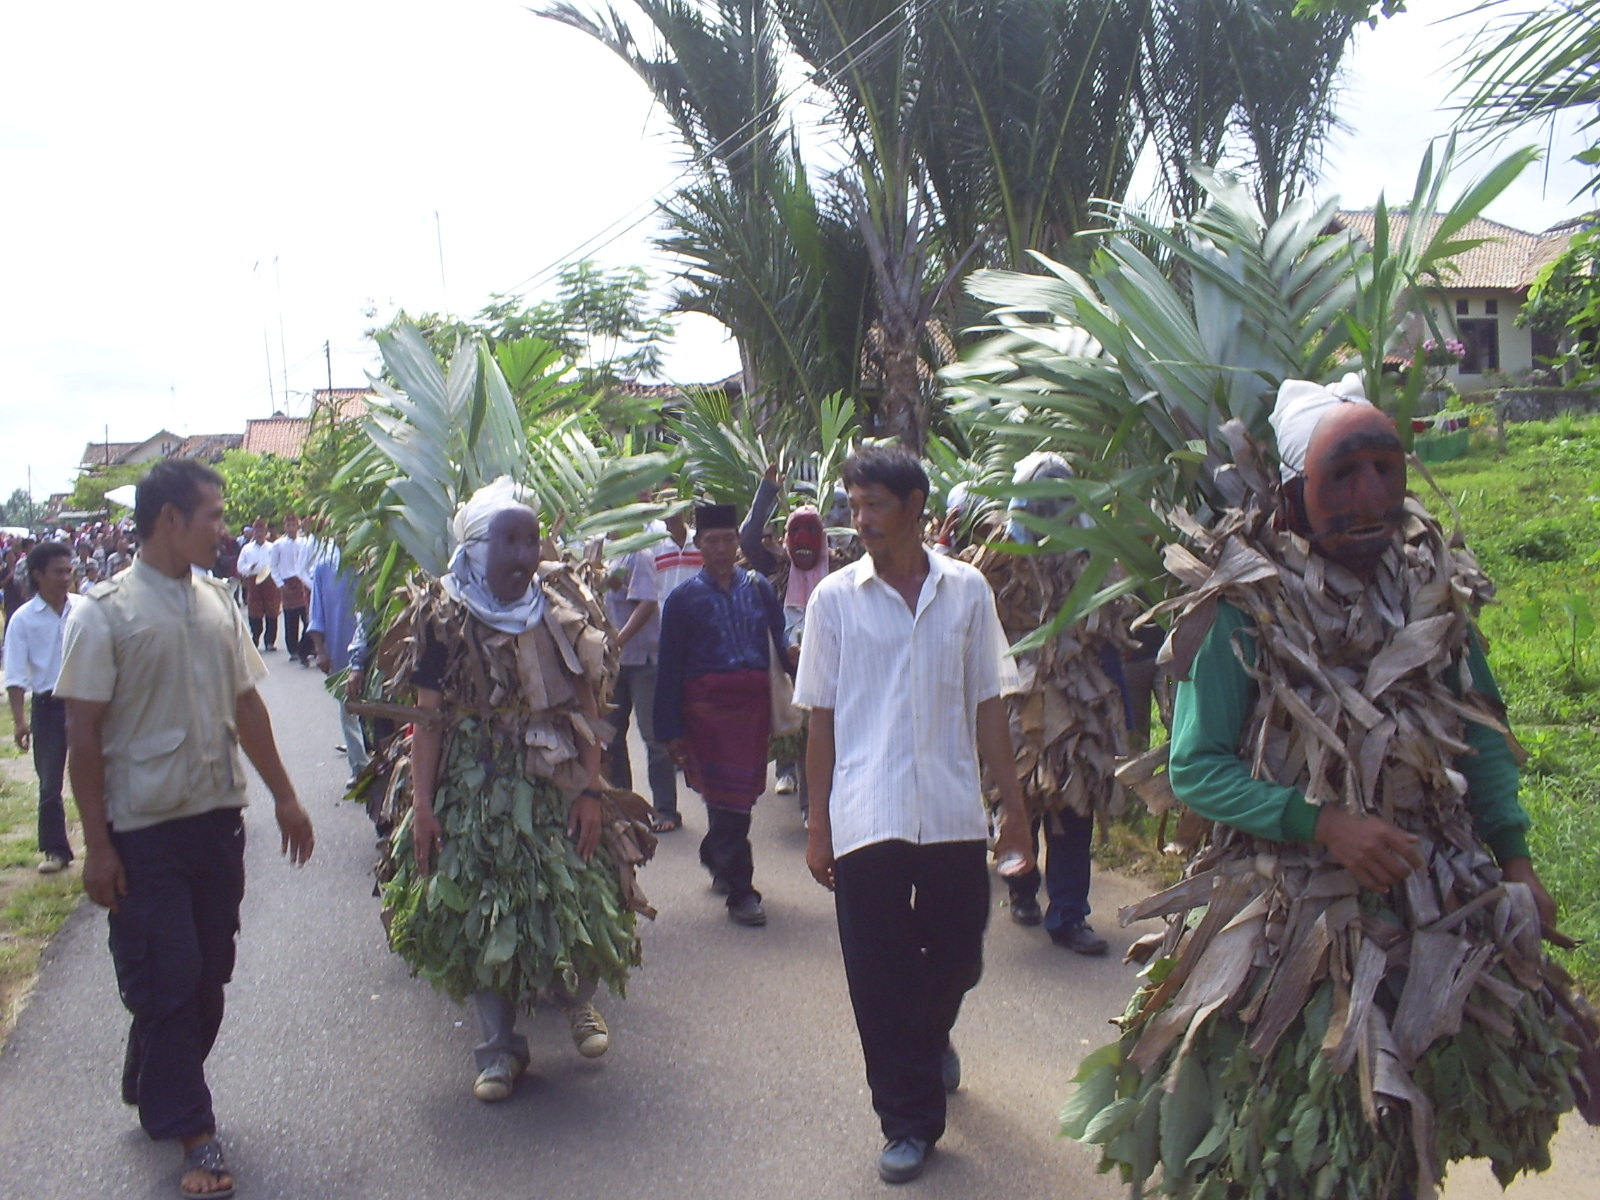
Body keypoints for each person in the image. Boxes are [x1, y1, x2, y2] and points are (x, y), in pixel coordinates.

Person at [1068, 380, 1597, 1198]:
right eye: (1343, 478)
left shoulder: (1434, 591)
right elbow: (1195, 768)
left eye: (1386, 472)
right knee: (1299, 1148)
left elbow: (1482, 737)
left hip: (1432, 907)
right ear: (1289, 497)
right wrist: (1321, 824)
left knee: (1402, 1129)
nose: (1371, 498)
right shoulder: (1244, 610)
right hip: (1296, 922)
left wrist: (1518, 859)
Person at [55, 458, 315, 1200]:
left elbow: (249, 708)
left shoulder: (220, 602)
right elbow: (82, 732)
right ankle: (194, 1132)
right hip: (144, 831)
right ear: (170, 519)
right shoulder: (102, 613)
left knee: (208, 979)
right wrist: (96, 847)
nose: (224, 529)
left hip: (215, 824)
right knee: (169, 975)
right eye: (213, 515)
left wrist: (286, 798)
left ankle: (152, 1068)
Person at [794, 445, 1034, 1184]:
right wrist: (818, 825)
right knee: (879, 971)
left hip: (953, 808)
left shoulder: (966, 593)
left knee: (960, 951)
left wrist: (1015, 811)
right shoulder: (833, 599)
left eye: (873, 504)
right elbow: (820, 721)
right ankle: (908, 1119)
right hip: (866, 809)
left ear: (915, 504)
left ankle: (928, 1038)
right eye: (853, 504)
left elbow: (989, 706)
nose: (859, 519)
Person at [378, 477, 655, 1103]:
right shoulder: (444, 620)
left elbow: (590, 710)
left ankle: (581, 1003)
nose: (525, 555)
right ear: (477, 547)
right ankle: (498, 1049)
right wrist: (421, 809)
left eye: (532, 540)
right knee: (479, 913)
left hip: (556, 781)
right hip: (473, 792)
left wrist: (590, 790)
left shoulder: (558, 614)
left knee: (582, 891)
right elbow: (427, 724)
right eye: (509, 541)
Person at [960, 451, 1132, 953]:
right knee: (1018, 801)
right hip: (1013, 706)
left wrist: (1119, 705)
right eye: (1044, 496)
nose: (1054, 506)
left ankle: (1070, 914)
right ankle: (1020, 887)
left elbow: (1110, 632)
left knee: (1074, 808)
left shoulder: (1092, 561)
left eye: (1062, 495)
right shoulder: (996, 564)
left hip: (1079, 708)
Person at [654, 503, 789, 927]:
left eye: (729, 539)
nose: (722, 548)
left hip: (752, 711)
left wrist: (798, 663)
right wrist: (670, 730)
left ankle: (716, 853)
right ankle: (741, 891)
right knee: (726, 798)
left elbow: (779, 639)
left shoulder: (760, 589)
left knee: (740, 797)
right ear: (698, 545)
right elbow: (670, 668)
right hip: (706, 714)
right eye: (712, 540)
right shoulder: (682, 600)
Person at [3, 541, 80, 873]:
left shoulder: (83, 608)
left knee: (104, 773)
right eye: (58, 571)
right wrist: (20, 720)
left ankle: (110, 843)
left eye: (69, 570)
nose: (66, 577)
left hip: (86, 702)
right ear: (38, 575)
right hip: (49, 707)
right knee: (50, 783)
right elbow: (16, 675)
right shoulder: (23, 619)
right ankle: (56, 850)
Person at [602, 541, 679, 832]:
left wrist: (618, 641)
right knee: (611, 736)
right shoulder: (601, 550)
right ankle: (625, 806)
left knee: (653, 736)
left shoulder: (639, 554)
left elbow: (647, 603)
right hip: (611, 661)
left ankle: (666, 810)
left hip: (642, 659)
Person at [306, 537, 370, 786]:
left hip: (374, 653)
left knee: (374, 712)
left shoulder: (370, 563)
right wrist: (320, 649)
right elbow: (316, 613)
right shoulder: (324, 567)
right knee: (349, 711)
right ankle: (360, 768)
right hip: (340, 650)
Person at [272, 512, 313, 664]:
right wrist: (280, 584)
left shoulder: (304, 542)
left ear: (298, 526)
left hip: (302, 581)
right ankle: (293, 649)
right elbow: (273, 566)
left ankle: (306, 646)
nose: (291, 528)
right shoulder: (278, 544)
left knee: (308, 617)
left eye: (294, 525)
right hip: (287, 582)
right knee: (291, 618)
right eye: (288, 525)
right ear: (284, 527)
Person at [236, 519, 279, 650]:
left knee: (272, 612)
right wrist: (250, 567)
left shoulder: (272, 548)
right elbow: (240, 567)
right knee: (255, 612)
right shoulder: (247, 549)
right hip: (254, 581)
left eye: (262, 531)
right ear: (253, 532)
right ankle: (255, 637)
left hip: (270, 581)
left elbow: (278, 564)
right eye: (257, 531)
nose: (259, 533)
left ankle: (270, 641)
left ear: (266, 532)